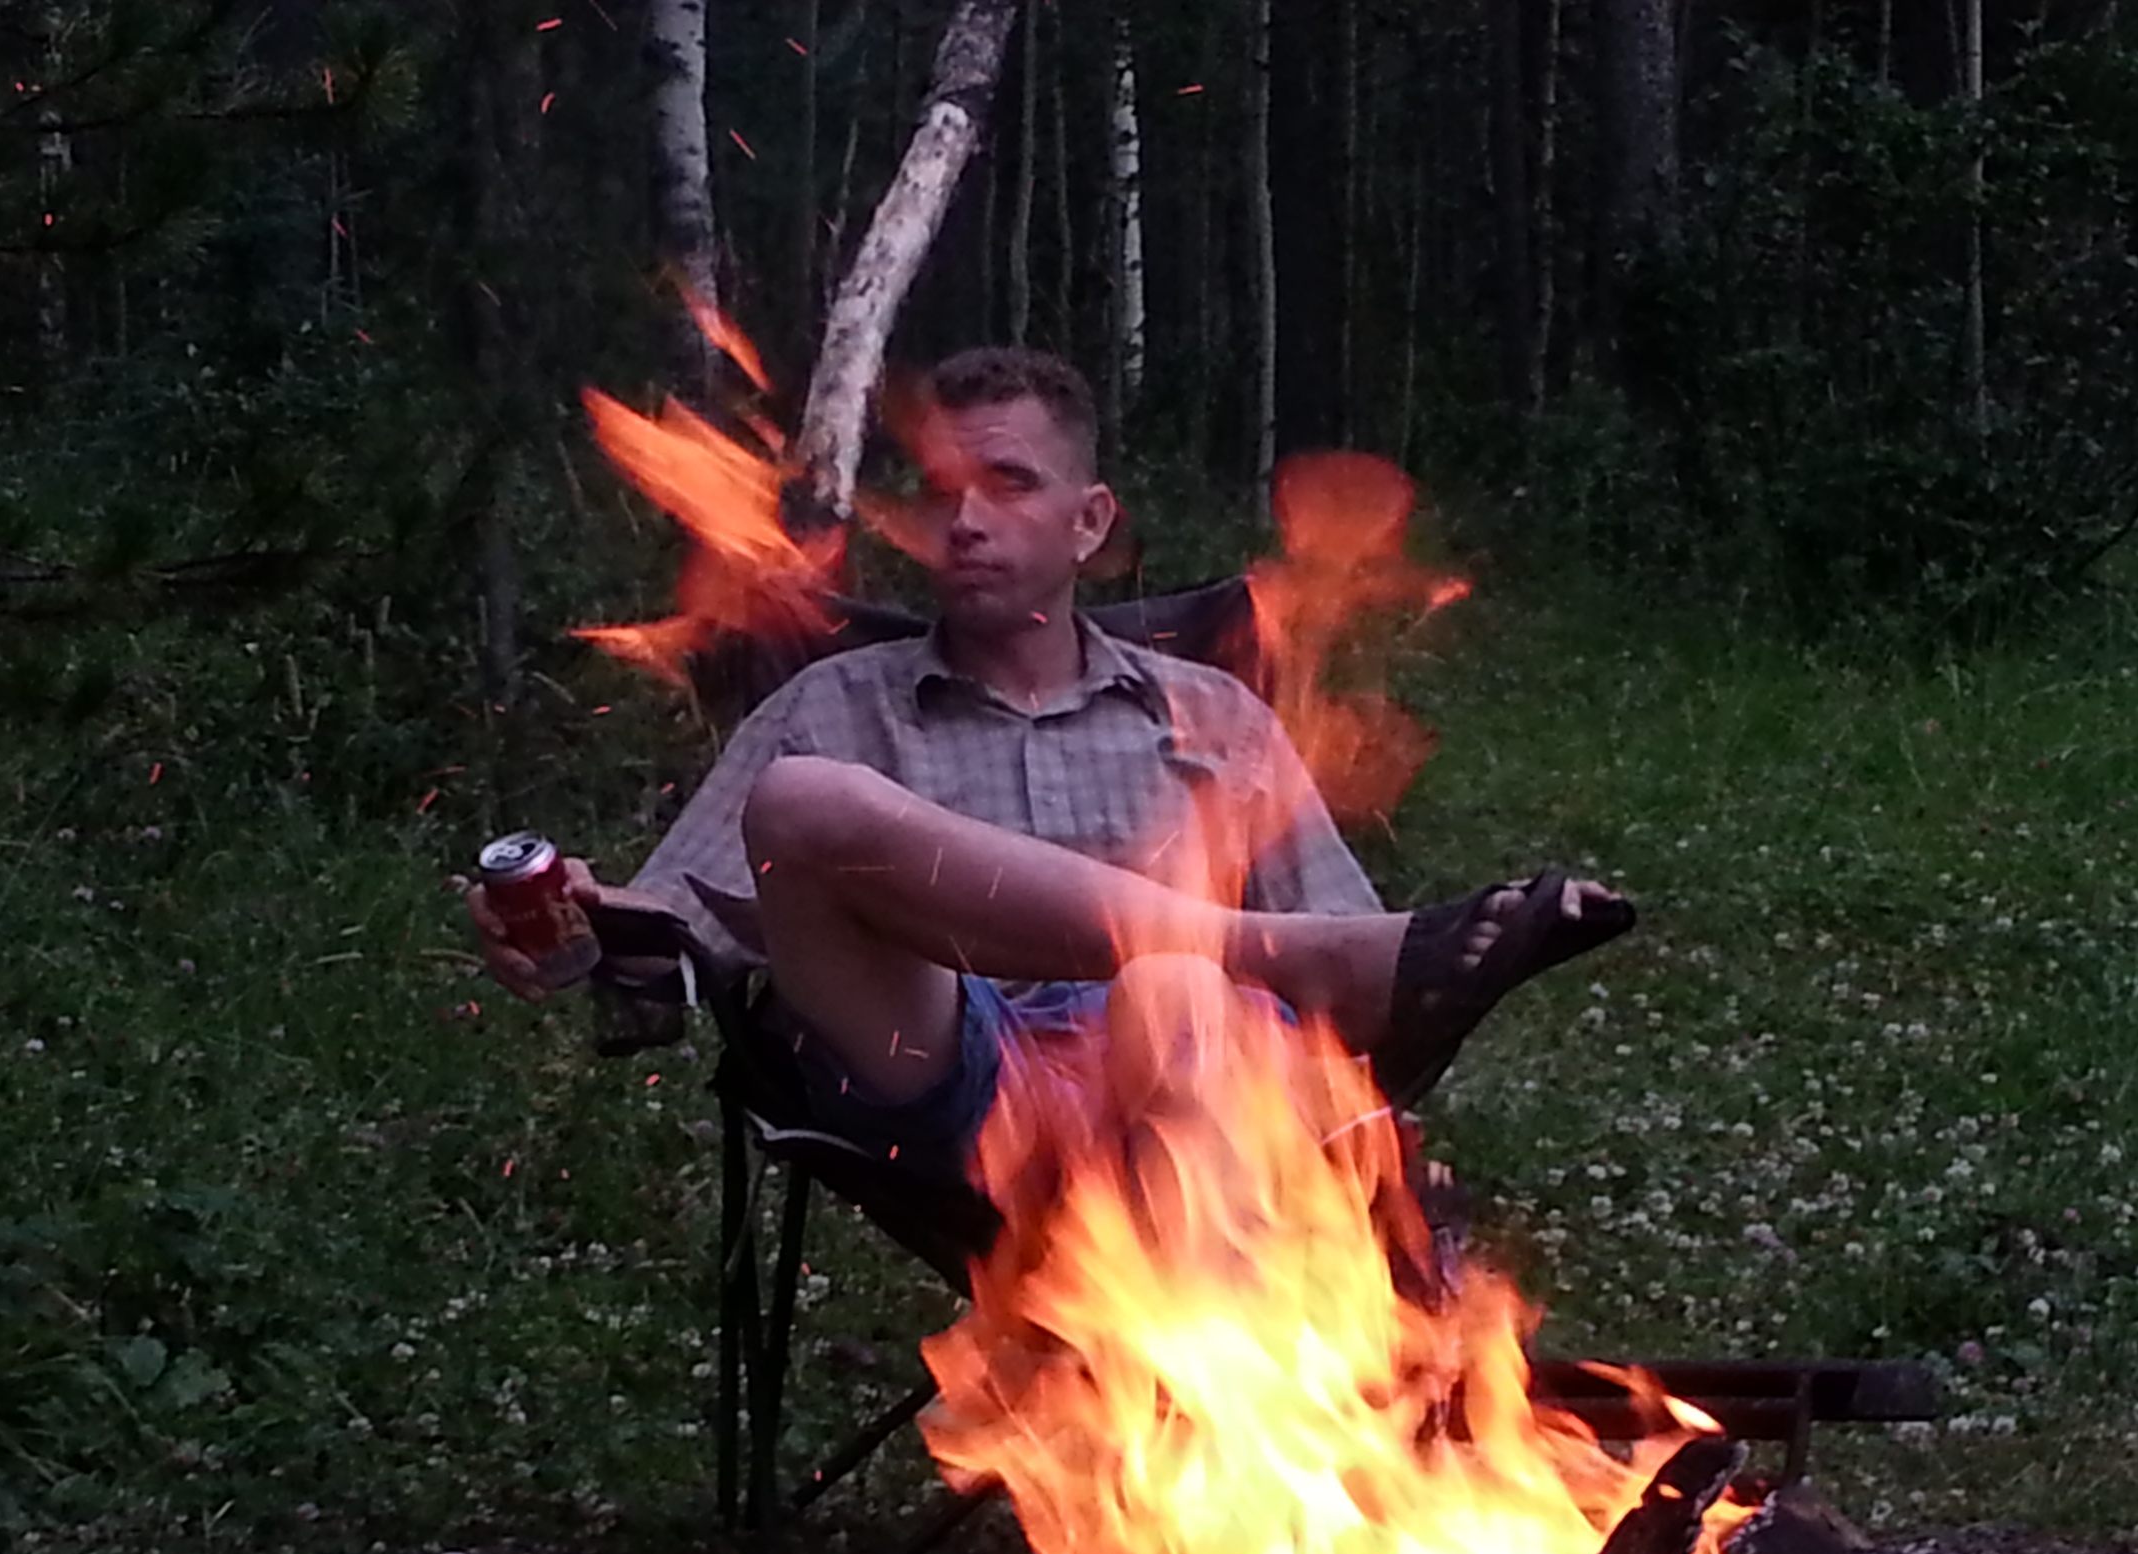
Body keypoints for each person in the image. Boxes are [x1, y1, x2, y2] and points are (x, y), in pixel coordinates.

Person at [469, 346, 1628, 1180]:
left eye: (1011, 483)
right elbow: (679, 934)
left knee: (1173, 993)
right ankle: (1246, 948)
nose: (966, 521)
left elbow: (1348, 978)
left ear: (1089, 520)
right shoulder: (833, 705)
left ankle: (1198, 1446)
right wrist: (586, 925)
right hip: (950, 1066)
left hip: (1187, 1078)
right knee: (802, 799)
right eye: (941, 495)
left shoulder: (1215, 716)